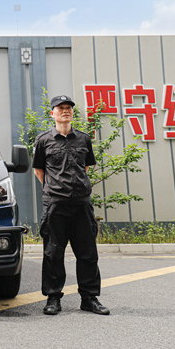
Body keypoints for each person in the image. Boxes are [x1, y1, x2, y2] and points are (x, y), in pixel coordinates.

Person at [31, 95, 110, 316]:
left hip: (82, 205)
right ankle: (53, 298)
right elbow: (38, 170)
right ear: (52, 114)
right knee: (53, 253)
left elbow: (85, 168)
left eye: (69, 108)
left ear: (72, 113)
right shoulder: (43, 140)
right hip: (56, 205)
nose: (65, 111)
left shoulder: (83, 139)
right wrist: (54, 189)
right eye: (61, 108)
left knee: (87, 253)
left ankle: (89, 298)